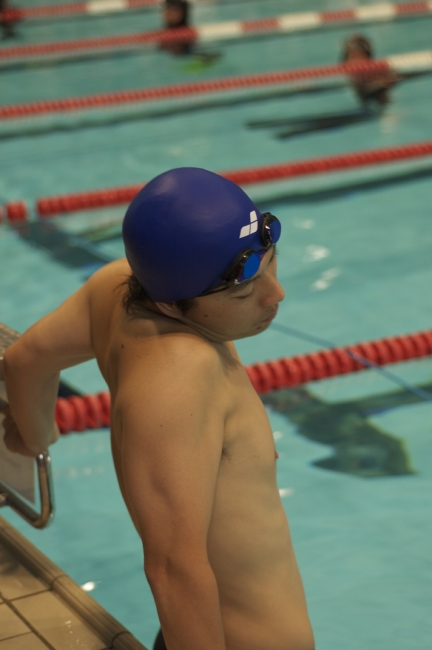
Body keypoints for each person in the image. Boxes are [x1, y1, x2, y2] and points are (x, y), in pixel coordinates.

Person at [3, 168, 315, 650]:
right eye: (243, 292)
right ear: (171, 307)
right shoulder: (181, 375)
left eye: (272, 265)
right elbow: (173, 570)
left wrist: (35, 436)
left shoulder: (116, 285)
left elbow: (25, 361)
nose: (276, 295)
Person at [342, 33, 399, 107]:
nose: (357, 62)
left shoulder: (379, 72)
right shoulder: (345, 74)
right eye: (353, 57)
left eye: (359, 56)